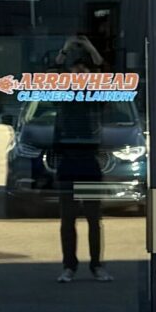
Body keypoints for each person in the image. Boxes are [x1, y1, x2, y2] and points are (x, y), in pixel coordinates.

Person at [51, 31, 111, 282]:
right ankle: (69, 267)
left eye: (84, 71)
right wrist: (66, 48)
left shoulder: (96, 98)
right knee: (67, 220)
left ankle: (96, 266)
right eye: (75, 70)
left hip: (89, 160)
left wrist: (90, 47)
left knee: (93, 219)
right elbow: (50, 73)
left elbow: (108, 73)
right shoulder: (62, 96)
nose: (79, 74)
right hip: (68, 161)